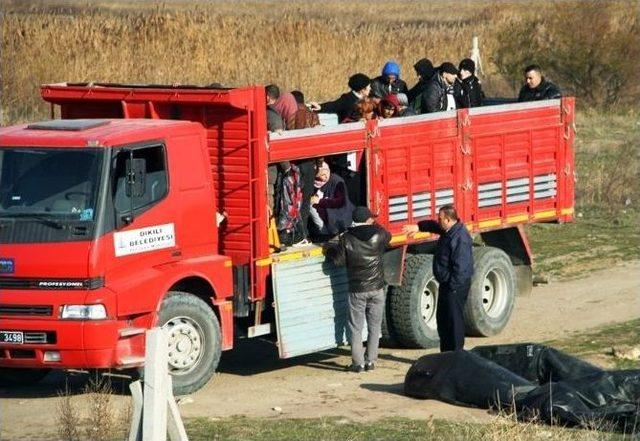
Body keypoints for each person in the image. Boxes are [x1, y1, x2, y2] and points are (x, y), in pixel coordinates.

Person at [402, 204, 473, 352]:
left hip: (454, 288)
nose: (437, 220)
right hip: (446, 285)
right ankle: (446, 353)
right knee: (443, 320)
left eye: (440, 218)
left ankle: (456, 354)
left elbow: (462, 268)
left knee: (454, 323)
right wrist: (418, 227)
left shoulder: (460, 237)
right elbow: (433, 226)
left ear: (447, 219)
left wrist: (452, 287)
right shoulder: (449, 230)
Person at [332, 206, 391, 372]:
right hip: (377, 288)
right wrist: (375, 223)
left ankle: (358, 364)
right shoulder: (379, 235)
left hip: (357, 289)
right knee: (374, 326)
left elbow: (338, 261)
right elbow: (389, 236)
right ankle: (371, 361)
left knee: (356, 328)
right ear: (368, 219)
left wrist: (331, 249)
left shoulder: (346, 238)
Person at [309, 161, 354, 240]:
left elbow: (340, 202)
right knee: (310, 206)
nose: (324, 177)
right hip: (326, 210)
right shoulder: (316, 182)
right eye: (319, 176)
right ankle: (325, 234)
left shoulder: (337, 182)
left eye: (326, 173)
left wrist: (319, 201)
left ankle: (327, 234)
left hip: (339, 214)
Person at [273, 161, 306, 246]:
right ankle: (295, 235)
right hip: (290, 172)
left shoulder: (291, 175)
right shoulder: (293, 174)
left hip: (288, 172)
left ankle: (289, 235)